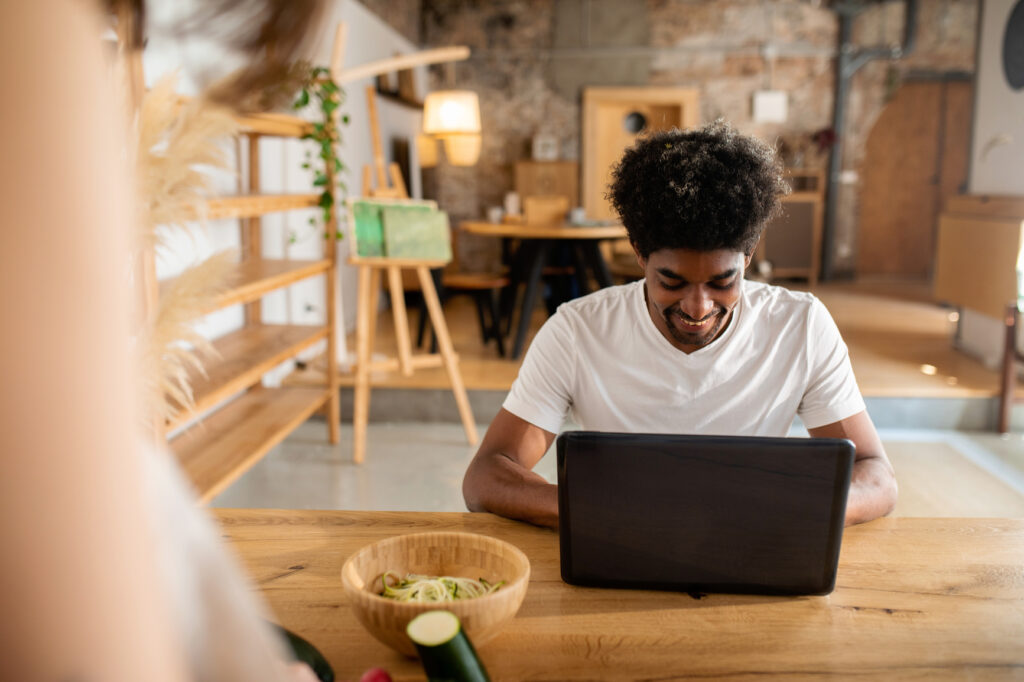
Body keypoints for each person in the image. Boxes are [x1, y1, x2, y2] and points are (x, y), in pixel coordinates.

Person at [462, 121, 898, 529]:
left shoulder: (800, 326)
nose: (697, 306)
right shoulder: (577, 332)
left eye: (722, 282)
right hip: (617, 544)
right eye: (671, 281)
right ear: (639, 254)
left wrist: (791, 512)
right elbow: (487, 474)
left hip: (750, 544)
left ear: (747, 258)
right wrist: (595, 512)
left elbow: (875, 476)